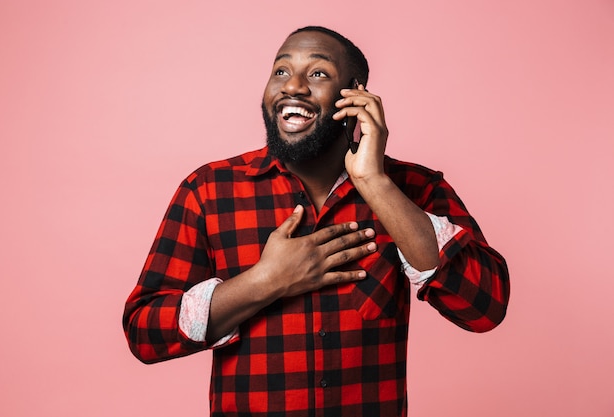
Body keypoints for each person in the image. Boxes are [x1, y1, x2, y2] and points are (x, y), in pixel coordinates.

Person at [123, 25, 510, 417]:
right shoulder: (208, 190)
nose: (292, 86)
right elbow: (144, 332)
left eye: (318, 74)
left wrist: (375, 184)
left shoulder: (413, 187)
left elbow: (485, 309)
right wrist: (265, 281)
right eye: (280, 71)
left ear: (356, 96)